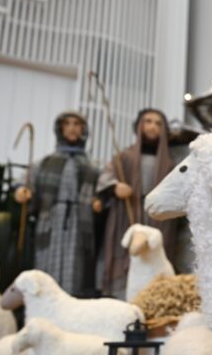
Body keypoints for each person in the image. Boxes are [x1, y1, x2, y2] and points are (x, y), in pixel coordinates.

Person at [14, 111, 101, 296]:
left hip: (80, 222)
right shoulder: (45, 163)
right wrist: (22, 190)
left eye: (76, 124)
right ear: (60, 129)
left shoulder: (92, 167)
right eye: (67, 124)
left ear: (83, 130)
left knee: (77, 268)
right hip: (50, 221)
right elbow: (25, 181)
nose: (72, 128)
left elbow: (101, 192)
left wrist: (98, 201)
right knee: (47, 265)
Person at [97, 108, 177, 298]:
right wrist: (115, 186)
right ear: (139, 126)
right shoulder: (124, 156)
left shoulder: (170, 164)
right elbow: (106, 177)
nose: (152, 126)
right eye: (148, 121)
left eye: (158, 123)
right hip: (127, 214)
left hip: (158, 219)